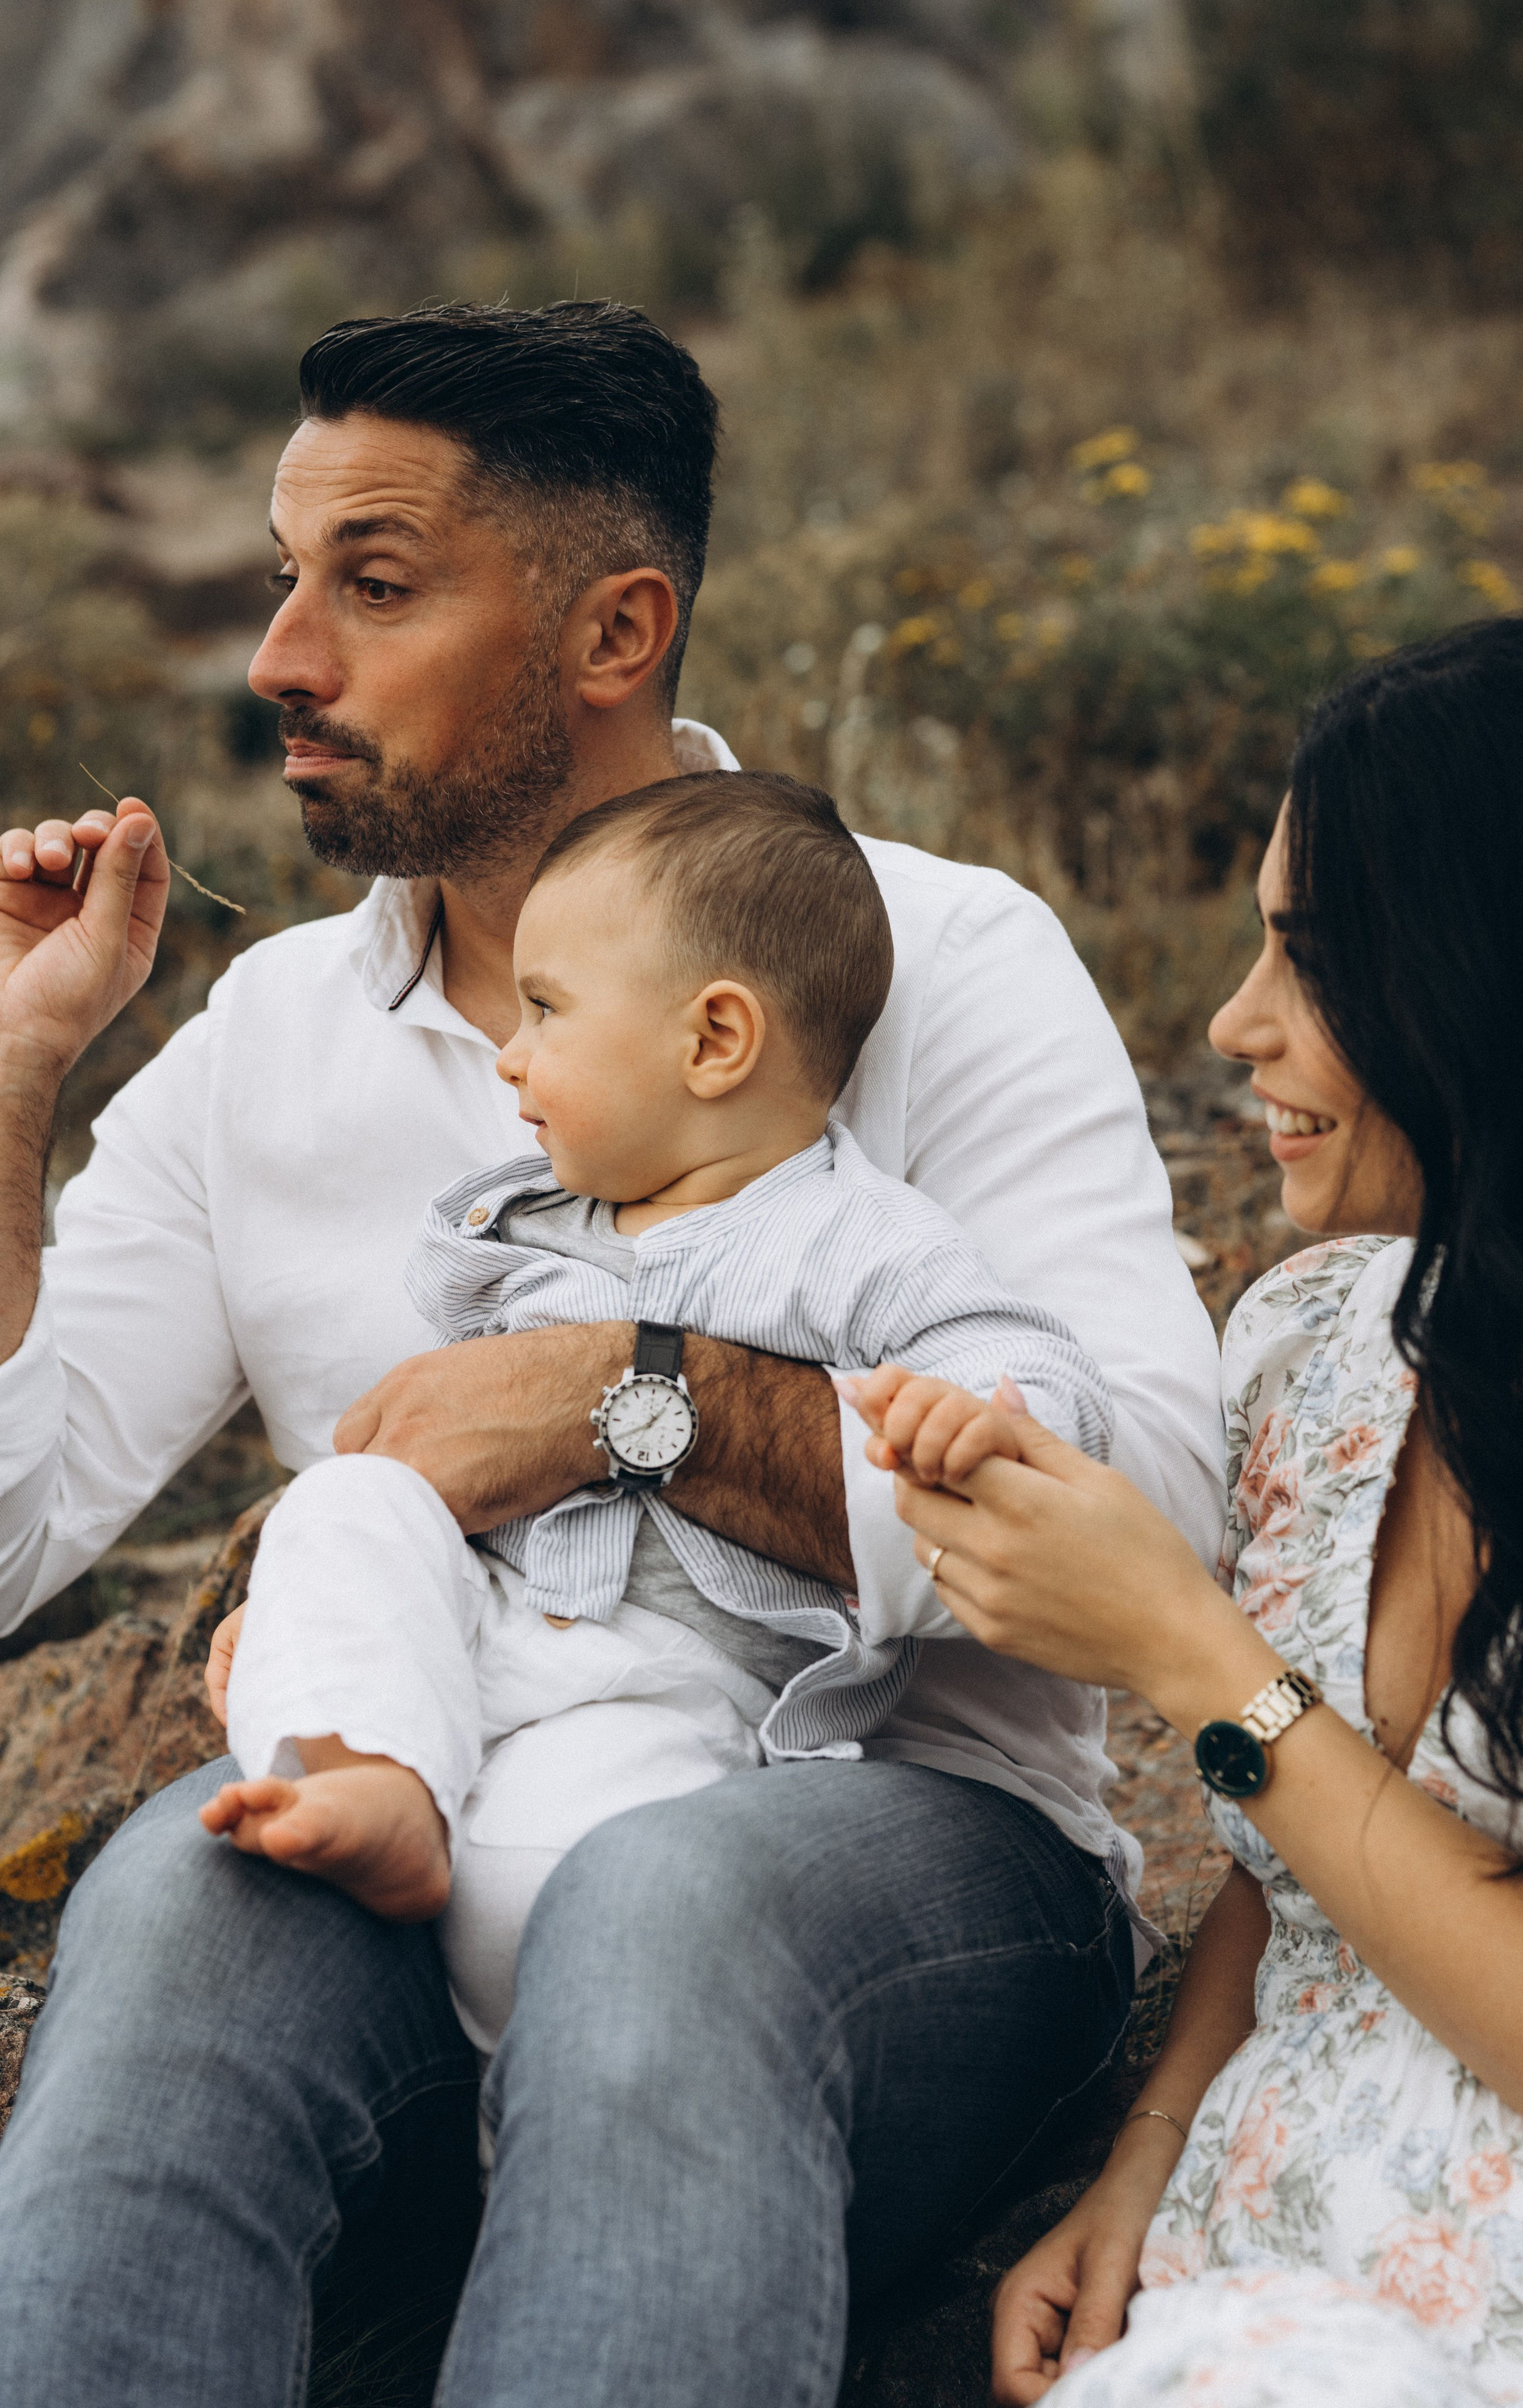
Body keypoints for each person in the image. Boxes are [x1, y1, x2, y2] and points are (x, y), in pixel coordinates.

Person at [0, 300, 1221, 2405]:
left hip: (897, 1840)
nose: (284, 658)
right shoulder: (268, 1041)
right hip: (442, 1820)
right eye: (288, 582)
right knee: (175, 1916)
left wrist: (619, 1401)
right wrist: (15, 1088)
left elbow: (1158, 1531)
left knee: (672, 1907)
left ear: (616, 628)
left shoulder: (935, 952)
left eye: (372, 590)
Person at [849, 615, 1523, 2405]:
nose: (1230, 1024)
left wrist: (1196, 1660)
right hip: (1245, 2245)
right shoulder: (1322, 1342)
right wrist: (1151, 2152)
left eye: (1313, 959)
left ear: (1506, 977)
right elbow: (1308, 1873)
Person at [208, 769, 1116, 2059]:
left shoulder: (851, 1238)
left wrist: (967, 1416)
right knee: (343, 1506)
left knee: (546, 1881)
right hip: (488, 1627)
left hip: (665, 1677)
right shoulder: (529, 1222)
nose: (510, 1056)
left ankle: (514, 2122)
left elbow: (1043, 1383)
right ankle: (366, 1765)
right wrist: (333, 1604)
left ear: (712, 1042)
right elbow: (452, 1473)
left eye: (543, 1011)